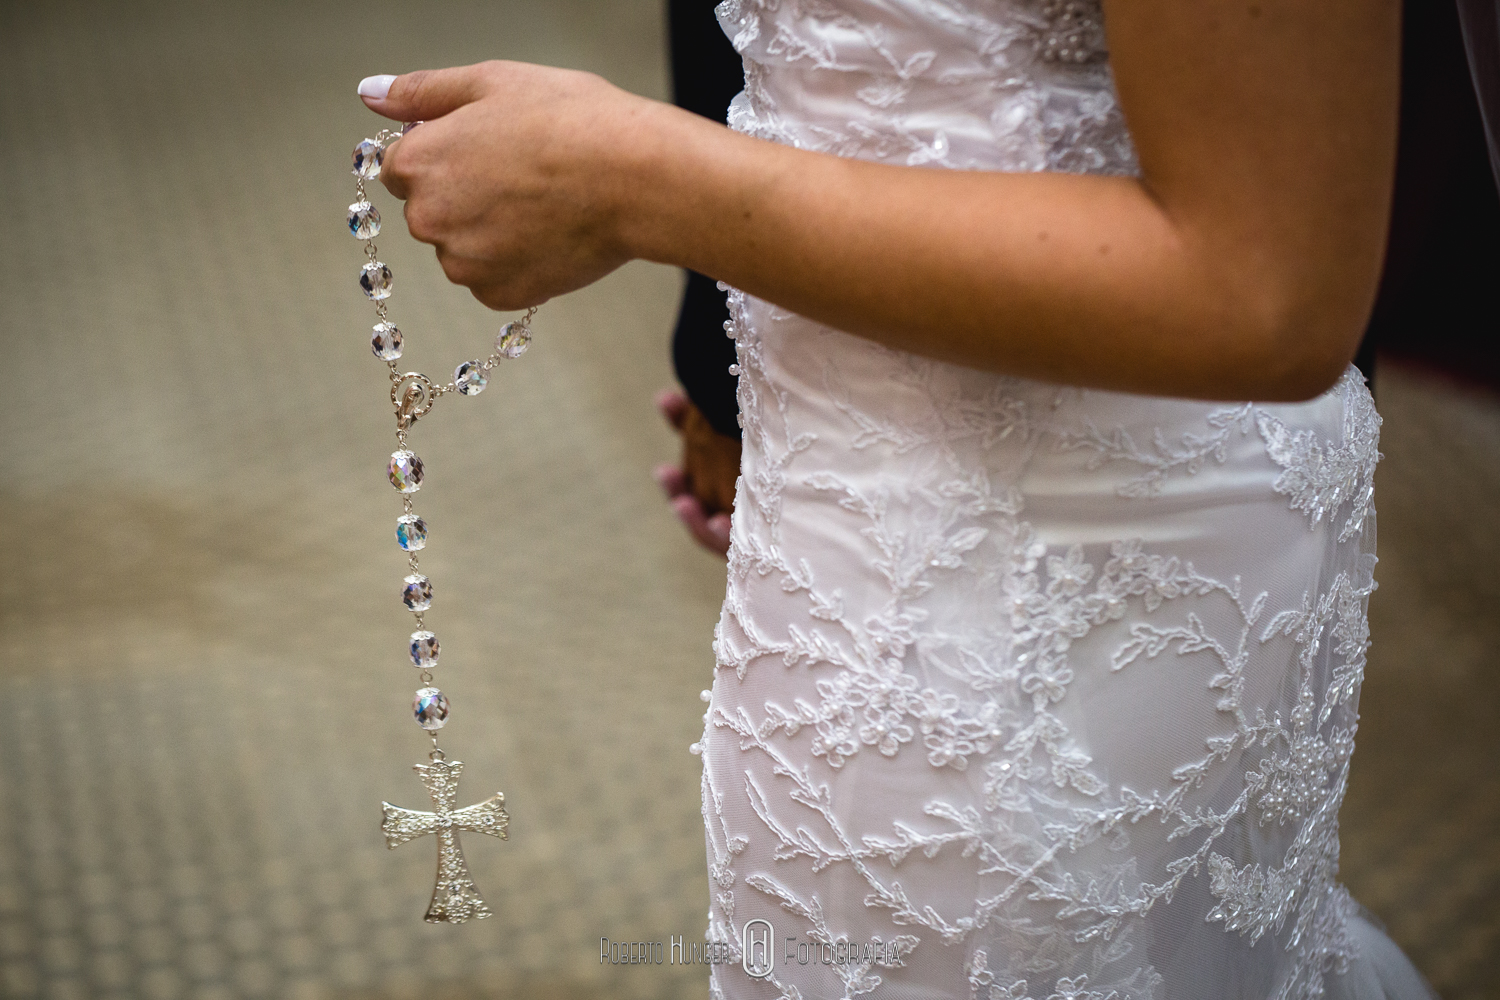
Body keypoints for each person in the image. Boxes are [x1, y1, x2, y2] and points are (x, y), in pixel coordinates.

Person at [356, 0, 1438, 995]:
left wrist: (635, 180)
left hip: (1094, 566)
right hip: (838, 525)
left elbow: (1265, 293)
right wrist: (725, 372)